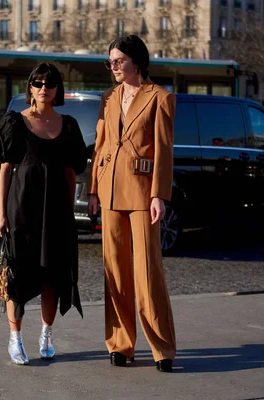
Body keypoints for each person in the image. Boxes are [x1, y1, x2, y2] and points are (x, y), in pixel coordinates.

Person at [0, 63, 87, 365]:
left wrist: (68, 213)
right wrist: (1, 214)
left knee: (51, 279)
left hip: (55, 214)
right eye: (38, 83)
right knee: (18, 276)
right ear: (30, 87)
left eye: (50, 83)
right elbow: (5, 171)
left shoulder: (68, 126)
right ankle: (15, 339)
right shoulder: (15, 122)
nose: (44, 88)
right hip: (21, 211)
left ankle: (46, 333)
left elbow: (70, 174)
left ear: (58, 90)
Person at [87, 35, 177, 373]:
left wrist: (159, 195)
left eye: (119, 60)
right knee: (116, 273)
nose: (113, 67)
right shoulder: (108, 98)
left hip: (142, 192)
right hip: (109, 191)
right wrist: (93, 189)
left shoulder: (162, 98)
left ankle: (162, 347)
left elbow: (164, 149)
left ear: (136, 62)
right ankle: (121, 345)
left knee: (147, 272)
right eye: (110, 61)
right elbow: (100, 145)